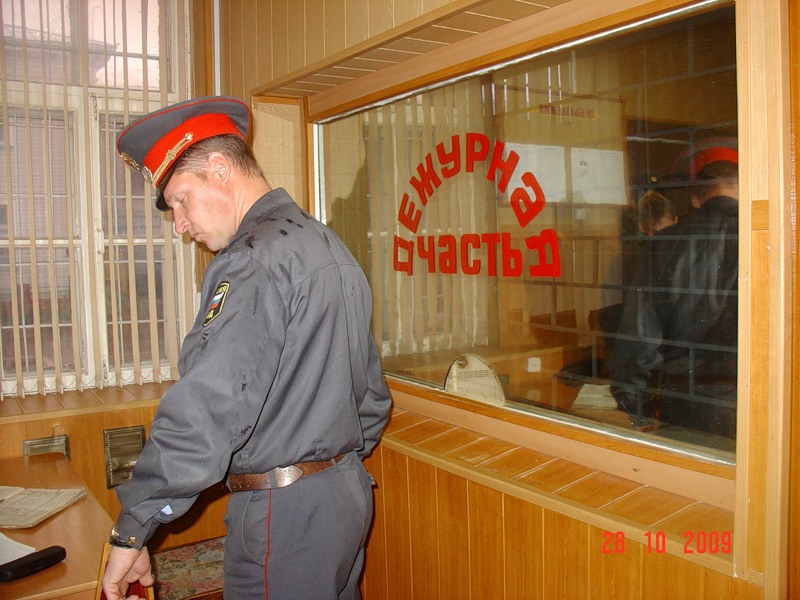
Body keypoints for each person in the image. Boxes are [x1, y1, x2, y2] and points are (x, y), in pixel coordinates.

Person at [102, 96, 392, 600]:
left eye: (181, 200)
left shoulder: (252, 260)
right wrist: (325, 467)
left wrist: (134, 525)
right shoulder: (328, 244)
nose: (180, 224)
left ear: (219, 169)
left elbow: (208, 408)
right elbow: (370, 398)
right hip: (343, 498)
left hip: (284, 516)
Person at [609, 145, 738, 436]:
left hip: (681, 400)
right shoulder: (772, 241)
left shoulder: (663, 244)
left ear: (695, 196)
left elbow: (639, 335)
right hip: (756, 403)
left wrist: (636, 407)